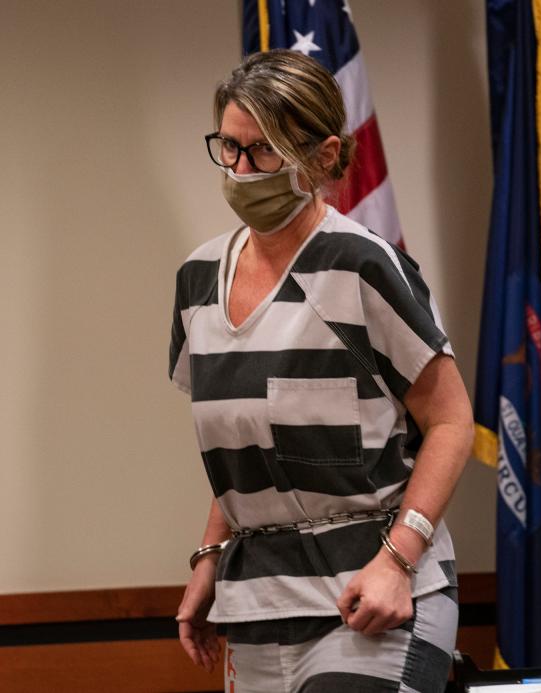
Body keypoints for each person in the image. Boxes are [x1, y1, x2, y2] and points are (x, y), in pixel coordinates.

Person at [168, 49, 473, 693]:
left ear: (325, 155)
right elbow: (249, 443)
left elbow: (451, 422)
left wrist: (398, 560)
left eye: (266, 151)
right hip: (257, 602)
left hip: (373, 597)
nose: (243, 171)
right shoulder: (198, 281)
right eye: (229, 147)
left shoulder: (362, 265)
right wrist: (208, 557)